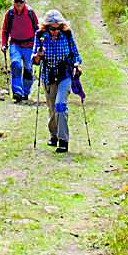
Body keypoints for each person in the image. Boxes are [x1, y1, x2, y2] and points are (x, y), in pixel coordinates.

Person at [31, 9, 82, 152]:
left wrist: (76, 66)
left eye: (58, 27)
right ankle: (53, 135)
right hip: (47, 76)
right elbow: (34, 60)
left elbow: (75, 55)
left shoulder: (66, 35)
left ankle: (63, 140)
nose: (55, 30)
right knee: (52, 108)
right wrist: (38, 55)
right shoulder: (40, 35)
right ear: (46, 26)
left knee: (60, 106)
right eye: (52, 28)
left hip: (64, 75)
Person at [0, 0, 39, 103]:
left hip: (29, 44)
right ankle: (17, 92)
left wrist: (39, 45)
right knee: (16, 64)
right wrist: (4, 44)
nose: (18, 3)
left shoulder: (30, 13)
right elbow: (5, 30)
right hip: (15, 44)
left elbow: (37, 29)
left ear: (24, 2)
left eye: (20, 1)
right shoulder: (10, 13)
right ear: (13, 2)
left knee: (28, 69)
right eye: (16, 1)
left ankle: (26, 92)